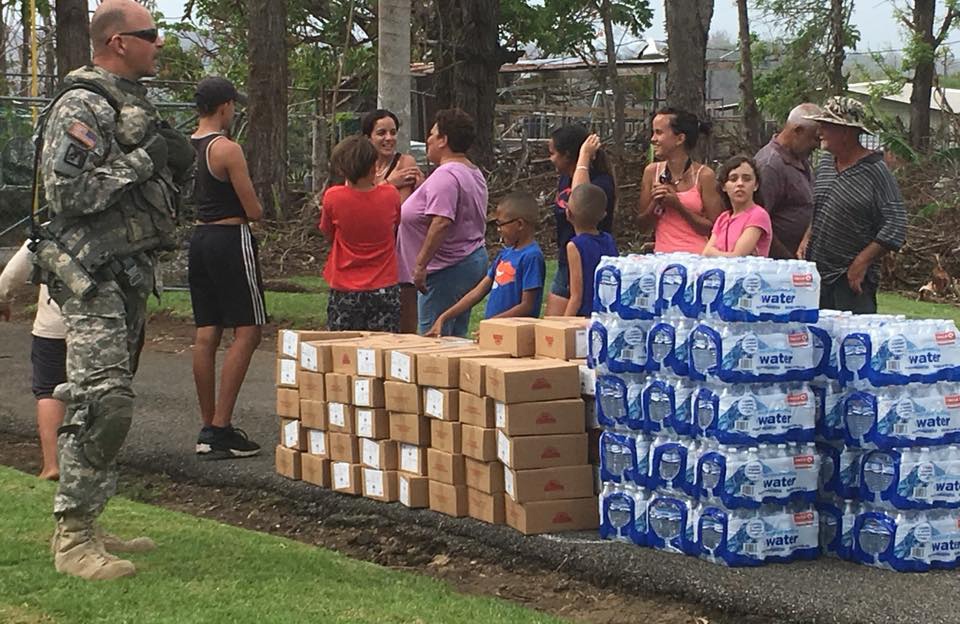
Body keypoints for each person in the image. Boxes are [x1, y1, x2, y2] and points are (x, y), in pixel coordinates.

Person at [35, 0, 195, 580]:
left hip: (127, 274)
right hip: (91, 275)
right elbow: (67, 195)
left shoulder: (132, 103)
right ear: (118, 42)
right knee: (103, 400)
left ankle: (90, 521)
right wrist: (145, 162)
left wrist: (172, 162)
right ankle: (73, 540)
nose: (160, 43)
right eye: (150, 34)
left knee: (108, 398)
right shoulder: (81, 104)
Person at [189, 76, 265, 461]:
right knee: (248, 329)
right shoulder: (226, 148)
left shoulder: (190, 145)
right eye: (233, 105)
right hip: (230, 238)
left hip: (199, 239)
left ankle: (209, 425)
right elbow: (252, 208)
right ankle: (221, 426)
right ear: (224, 107)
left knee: (207, 331)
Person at [799, 96, 907, 314]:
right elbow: (821, 207)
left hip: (851, 279)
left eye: (826, 126)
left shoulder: (875, 171)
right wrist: (807, 238)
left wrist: (861, 263)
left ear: (846, 132)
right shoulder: (827, 164)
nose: (819, 133)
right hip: (817, 275)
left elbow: (896, 223)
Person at [396, 108, 488, 337]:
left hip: (447, 269)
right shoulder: (471, 170)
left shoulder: (446, 175)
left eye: (432, 134)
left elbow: (442, 222)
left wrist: (420, 264)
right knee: (453, 335)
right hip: (468, 260)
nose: (428, 139)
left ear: (444, 140)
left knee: (433, 337)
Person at [425, 191, 544, 336]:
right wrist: (444, 317)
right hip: (496, 332)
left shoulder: (532, 257)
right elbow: (478, 292)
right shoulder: (505, 254)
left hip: (517, 336)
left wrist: (493, 323)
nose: (499, 230)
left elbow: (527, 306)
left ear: (519, 224)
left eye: (501, 224)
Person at [320, 135, 402, 332]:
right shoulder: (391, 195)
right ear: (373, 164)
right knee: (382, 350)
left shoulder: (333, 197)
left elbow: (327, 232)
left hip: (344, 286)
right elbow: (395, 227)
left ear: (341, 168)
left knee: (343, 349)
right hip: (384, 284)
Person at [0, 240, 66, 480]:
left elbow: (12, 274)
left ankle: (53, 464)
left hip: (55, 325)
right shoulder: (121, 225)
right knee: (99, 391)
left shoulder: (48, 229)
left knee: (50, 391)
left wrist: (3, 299)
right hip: (105, 328)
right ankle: (93, 463)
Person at [362, 109, 423, 334]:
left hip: (401, 249)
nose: (388, 138)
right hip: (371, 252)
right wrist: (390, 183)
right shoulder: (361, 166)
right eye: (381, 133)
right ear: (368, 137)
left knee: (406, 318)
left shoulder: (405, 162)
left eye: (393, 132)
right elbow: (356, 201)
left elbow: (396, 210)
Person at [545, 126, 616, 316]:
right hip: (565, 261)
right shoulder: (565, 178)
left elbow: (578, 201)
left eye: (553, 153)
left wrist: (583, 157)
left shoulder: (601, 182)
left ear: (568, 155)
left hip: (585, 257)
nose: (550, 159)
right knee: (551, 334)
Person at [638, 108, 725, 253]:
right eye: (653, 132)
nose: (653, 139)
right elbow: (642, 226)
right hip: (662, 259)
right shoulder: (651, 172)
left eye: (659, 133)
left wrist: (679, 207)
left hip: (697, 260)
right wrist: (656, 202)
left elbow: (715, 229)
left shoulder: (704, 176)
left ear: (680, 139)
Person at [753, 103, 822, 259]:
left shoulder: (800, 158)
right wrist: (789, 261)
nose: (818, 146)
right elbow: (757, 224)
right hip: (779, 266)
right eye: (815, 139)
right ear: (798, 131)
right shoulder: (770, 165)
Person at [563, 184, 618, 317]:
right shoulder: (608, 240)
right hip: (607, 313)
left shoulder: (574, 246)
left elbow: (576, 296)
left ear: (568, 213)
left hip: (585, 316)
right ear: (604, 215)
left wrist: (563, 324)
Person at [703, 155, 772, 257]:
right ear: (724, 186)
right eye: (733, 179)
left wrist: (713, 253)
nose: (740, 184)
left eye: (747, 179)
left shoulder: (758, 215)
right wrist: (712, 253)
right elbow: (705, 253)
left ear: (756, 185)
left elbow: (738, 257)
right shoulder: (723, 218)